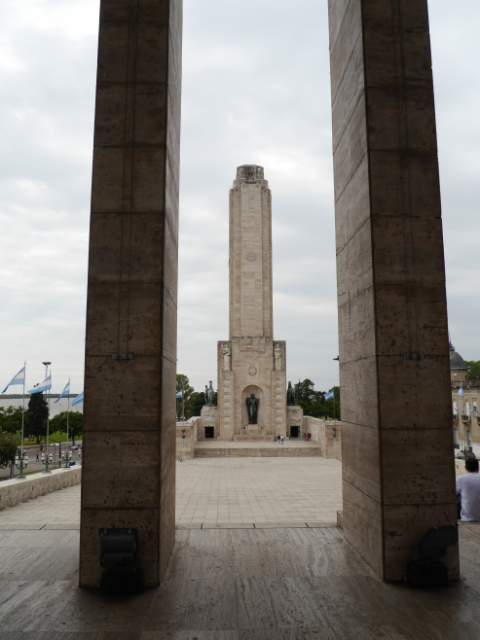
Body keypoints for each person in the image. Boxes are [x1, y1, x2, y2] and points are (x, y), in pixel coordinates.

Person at [456, 457, 480, 521]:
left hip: (467, 519)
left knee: (458, 496)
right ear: (478, 467)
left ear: (466, 468)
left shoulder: (460, 479)